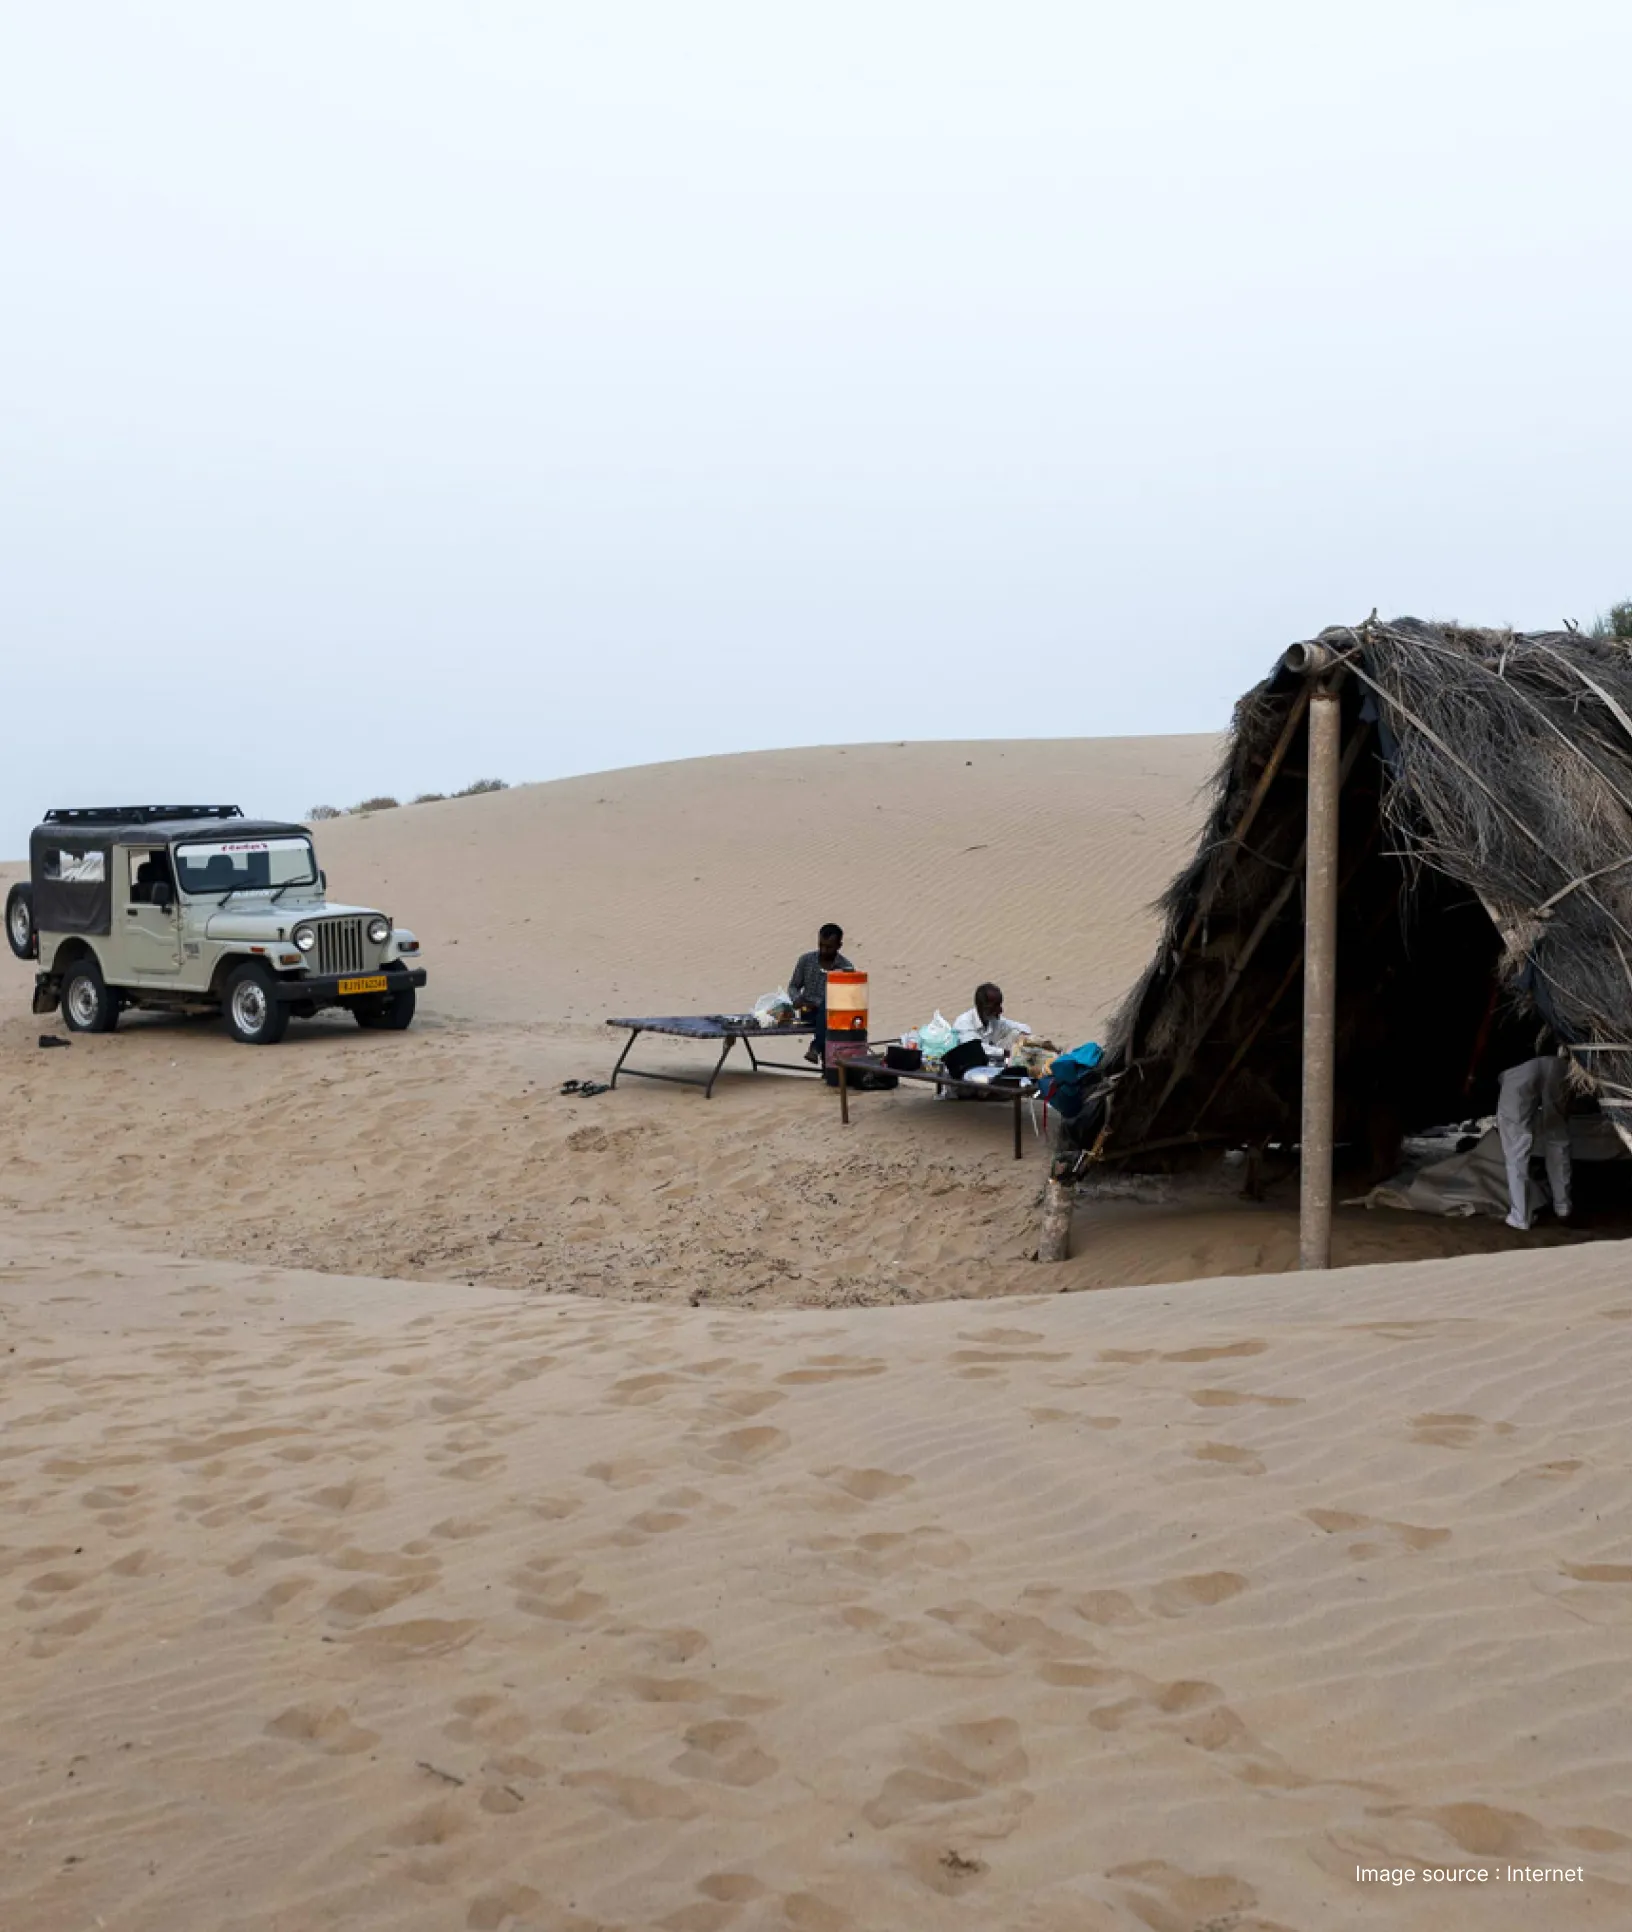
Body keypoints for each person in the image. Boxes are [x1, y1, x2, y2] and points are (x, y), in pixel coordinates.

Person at [1495, 1045, 1573, 1231]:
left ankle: (1520, 1216)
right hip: (1556, 1062)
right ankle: (1563, 1206)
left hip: (1519, 1064)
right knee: (1557, 1135)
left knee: (1516, 1143)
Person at [789, 923, 853, 1066]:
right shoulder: (806, 960)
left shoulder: (846, 967)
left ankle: (817, 1050)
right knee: (826, 1015)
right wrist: (797, 999)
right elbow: (793, 986)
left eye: (829, 947)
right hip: (808, 1012)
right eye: (821, 945)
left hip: (834, 1016)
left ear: (839, 946)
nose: (824, 950)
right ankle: (820, 1056)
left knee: (828, 1003)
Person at [952, 982, 1032, 1059]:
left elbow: (1021, 1027)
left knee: (1017, 1034)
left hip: (990, 1061)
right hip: (968, 1066)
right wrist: (1007, 1053)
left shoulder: (992, 1019)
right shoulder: (964, 1022)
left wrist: (1025, 1037)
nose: (1000, 1010)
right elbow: (975, 1049)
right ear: (982, 1006)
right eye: (995, 1006)